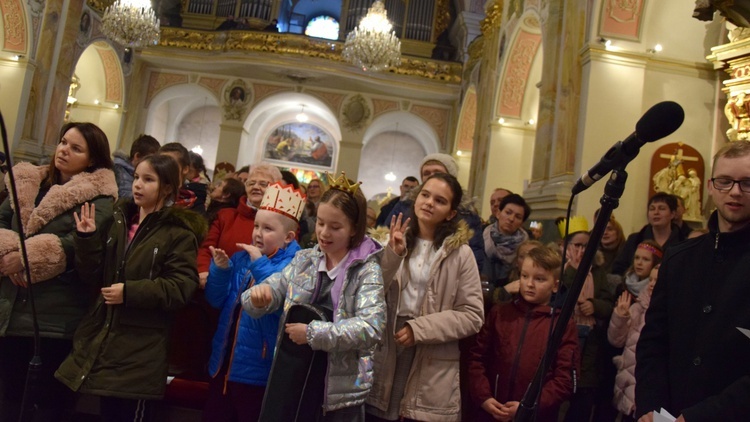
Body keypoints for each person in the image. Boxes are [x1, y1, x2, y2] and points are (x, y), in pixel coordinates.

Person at [54, 154, 205, 421]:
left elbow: (181, 287)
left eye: (148, 180)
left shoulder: (178, 233)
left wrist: (129, 292)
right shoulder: (119, 221)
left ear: (168, 187)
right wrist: (87, 239)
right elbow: (92, 275)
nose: (137, 185)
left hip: (140, 347)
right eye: (136, 177)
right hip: (105, 337)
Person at [242, 172, 385, 420]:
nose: (324, 233)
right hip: (294, 380)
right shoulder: (305, 260)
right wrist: (257, 297)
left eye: (335, 227)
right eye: (320, 223)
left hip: (338, 394)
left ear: (354, 229)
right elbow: (271, 290)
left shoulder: (366, 270)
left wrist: (312, 333)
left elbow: (371, 327)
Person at [0, 122, 118, 421]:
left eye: (76, 148)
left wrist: (27, 260)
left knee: (41, 405)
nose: (64, 150)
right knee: (6, 399)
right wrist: (8, 252)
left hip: (53, 315)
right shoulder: (28, 182)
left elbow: (75, 246)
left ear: (91, 160)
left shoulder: (99, 200)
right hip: (8, 308)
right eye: (63, 142)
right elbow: (2, 221)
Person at [636, 141, 750, 421]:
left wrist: (700, 416)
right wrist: (650, 407)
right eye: (725, 181)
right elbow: (653, 342)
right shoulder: (678, 258)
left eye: (747, 183)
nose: (735, 191)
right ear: (710, 187)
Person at [366, 173, 484, 421]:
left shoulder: (460, 254)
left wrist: (420, 329)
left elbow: (472, 315)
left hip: (430, 349)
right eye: (426, 195)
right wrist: (392, 255)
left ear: (451, 213)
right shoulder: (387, 239)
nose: (430, 203)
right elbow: (369, 294)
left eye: (440, 200)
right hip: (388, 341)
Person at [202, 182, 304, 422]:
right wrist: (221, 271)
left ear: (288, 237)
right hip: (223, 364)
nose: (258, 233)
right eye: (256, 225)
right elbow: (215, 301)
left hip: (258, 372)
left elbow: (279, 304)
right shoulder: (241, 258)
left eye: (268, 228)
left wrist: (259, 264)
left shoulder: (296, 266)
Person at [468, 247, 579, 422]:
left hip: (535, 415)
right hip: (491, 409)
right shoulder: (500, 313)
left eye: (540, 279)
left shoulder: (561, 324)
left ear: (555, 285)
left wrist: (529, 405)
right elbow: (476, 359)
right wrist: (483, 397)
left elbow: (564, 379)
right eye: (525, 276)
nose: (529, 284)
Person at [384, 154, 486, 269]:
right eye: (426, 173)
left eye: (437, 172)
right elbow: (385, 234)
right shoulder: (405, 204)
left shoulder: (467, 213)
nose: (431, 176)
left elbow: (475, 255)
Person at [558, 217, 615, 422]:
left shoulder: (598, 271)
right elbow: (560, 297)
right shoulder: (560, 269)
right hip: (565, 335)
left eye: (586, 245)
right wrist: (573, 269)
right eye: (577, 245)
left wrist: (594, 305)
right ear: (566, 246)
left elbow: (609, 303)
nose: (582, 250)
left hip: (591, 340)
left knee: (583, 396)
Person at [196, 164, 282, 288]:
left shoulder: (282, 224)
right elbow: (206, 248)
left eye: (263, 184)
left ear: (276, 188)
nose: (256, 187)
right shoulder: (225, 216)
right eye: (251, 183)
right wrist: (204, 270)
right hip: (215, 286)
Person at [608, 265, 659, 421]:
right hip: (628, 383)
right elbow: (616, 341)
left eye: (657, 280)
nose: (651, 284)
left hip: (648, 390)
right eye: (650, 279)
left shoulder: (670, 314)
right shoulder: (637, 308)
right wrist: (620, 317)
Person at [611, 193, 686, 275]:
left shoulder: (683, 243)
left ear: (672, 214)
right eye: (652, 209)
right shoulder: (635, 240)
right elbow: (618, 269)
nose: (656, 212)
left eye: (662, 208)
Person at [483, 194, 531, 296]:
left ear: (522, 222)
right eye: (508, 212)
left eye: (518, 217)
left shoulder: (527, 248)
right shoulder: (480, 237)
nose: (511, 219)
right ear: (498, 213)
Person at [112, 134, 160, 199]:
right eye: (149, 159)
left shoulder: (128, 170)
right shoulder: (120, 170)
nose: (152, 164)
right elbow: (125, 197)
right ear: (137, 156)